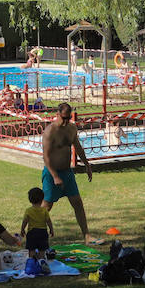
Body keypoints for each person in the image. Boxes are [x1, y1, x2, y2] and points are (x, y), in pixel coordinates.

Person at [41, 101, 97, 243]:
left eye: (68, 118)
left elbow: (77, 147)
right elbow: (46, 157)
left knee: (77, 203)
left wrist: (87, 165)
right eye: (64, 118)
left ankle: (87, 236)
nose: (66, 121)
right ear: (57, 115)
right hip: (52, 173)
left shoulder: (71, 128)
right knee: (46, 206)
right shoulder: (50, 132)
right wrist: (54, 176)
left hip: (67, 173)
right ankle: (34, 234)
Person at [18, 186, 54, 263]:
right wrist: (51, 229)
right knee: (42, 250)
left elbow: (25, 221)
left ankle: (32, 263)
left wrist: (22, 229)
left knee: (31, 250)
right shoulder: (44, 210)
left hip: (32, 233)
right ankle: (42, 263)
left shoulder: (28, 211)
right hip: (43, 232)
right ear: (42, 199)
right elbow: (48, 221)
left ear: (30, 200)